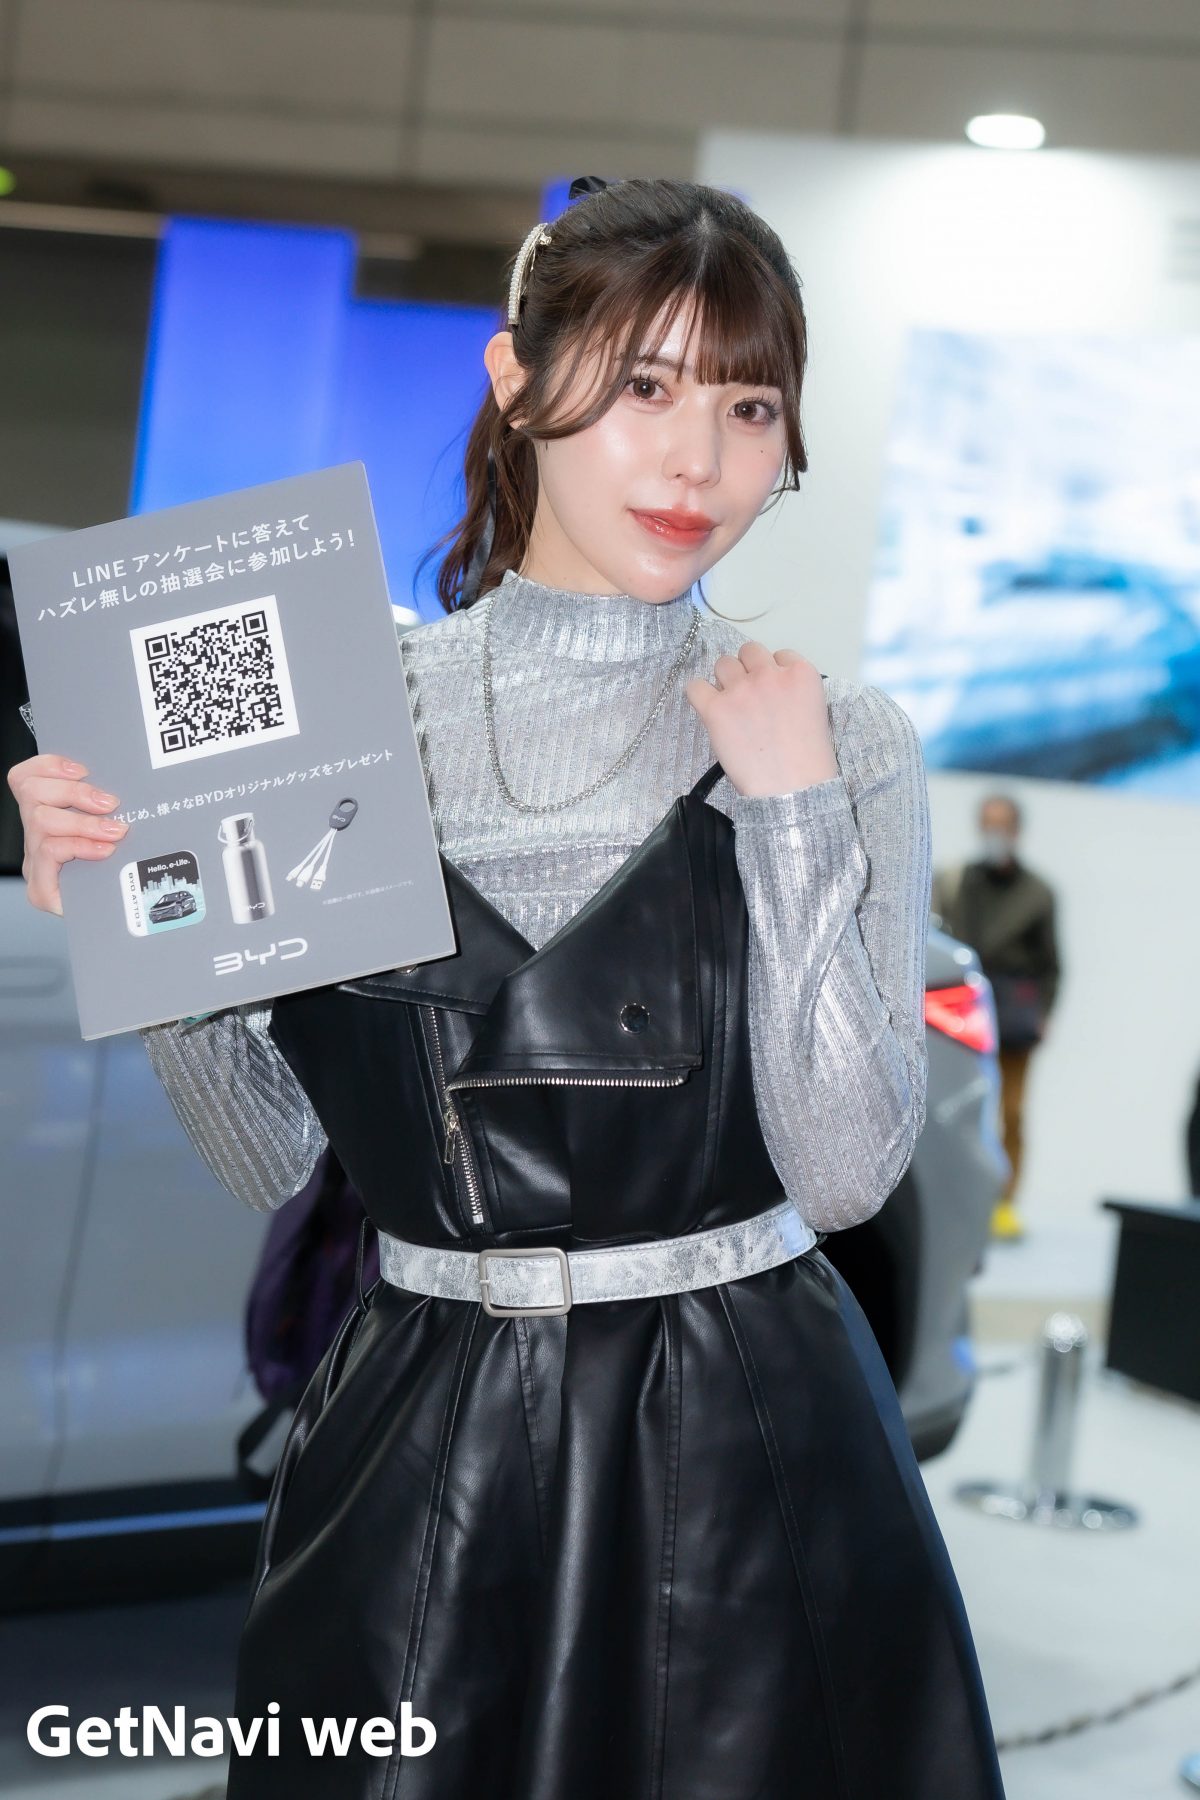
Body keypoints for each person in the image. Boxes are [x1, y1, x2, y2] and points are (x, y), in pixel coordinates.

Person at [9, 177, 1006, 1798]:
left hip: (744, 1455)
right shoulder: (316, 712)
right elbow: (264, 1157)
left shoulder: (838, 738)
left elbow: (840, 1175)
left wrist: (794, 819)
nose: (698, 461)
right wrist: (152, 923)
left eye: (751, 407)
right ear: (516, 378)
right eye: (645, 387)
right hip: (424, 1436)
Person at [932, 792, 1060, 1242]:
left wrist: (1043, 1014)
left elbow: (1051, 964)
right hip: (959, 1011)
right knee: (951, 1107)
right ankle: (954, 1200)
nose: (995, 833)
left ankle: (1005, 1203)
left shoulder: (1038, 893)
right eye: (988, 823)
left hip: (1015, 1017)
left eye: (1002, 824)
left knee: (1013, 1112)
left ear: (1017, 830)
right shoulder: (954, 882)